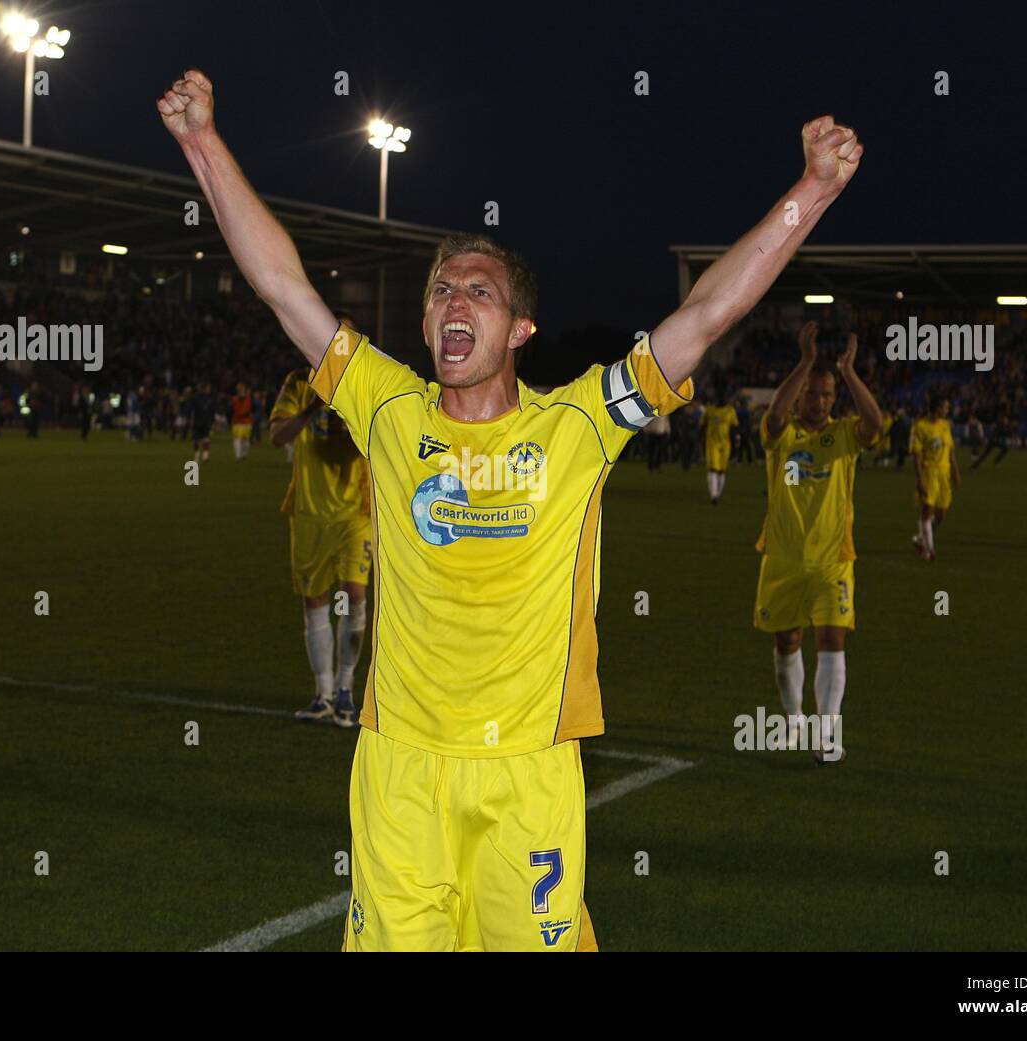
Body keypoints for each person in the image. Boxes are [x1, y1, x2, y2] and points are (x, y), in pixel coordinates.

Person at [159, 66, 862, 951]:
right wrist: (202, 143)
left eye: (479, 291)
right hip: (400, 769)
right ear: (425, 325)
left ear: (519, 330)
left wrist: (813, 190)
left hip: (528, 773)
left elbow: (707, 312)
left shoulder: (579, 424)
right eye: (441, 292)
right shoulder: (387, 406)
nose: (455, 301)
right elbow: (283, 289)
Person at [754, 325, 881, 763]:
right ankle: (793, 724)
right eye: (813, 393)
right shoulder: (781, 435)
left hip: (833, 563)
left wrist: (847, 371)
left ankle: (826, 734)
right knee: (787, 642)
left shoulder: (845, 436)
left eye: (827, 395)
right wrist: (805, 362)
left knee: (832, 639)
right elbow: (773, 416)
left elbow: (876, 424)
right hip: (784, 561)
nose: (820, 400)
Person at [270, 314, 372, 727]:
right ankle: (323, 694)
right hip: (310, 513)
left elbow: (371, 439)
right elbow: (277, 436)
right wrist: (314, 405)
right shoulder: (297, 383)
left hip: (354, 512)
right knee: (315, 603)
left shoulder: (363, 385)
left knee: (353, 596)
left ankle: (347, 691)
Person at [910, 394, 960, 561]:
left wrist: (956, 472)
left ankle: (919, 538)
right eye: (945, 407)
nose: (948, 410)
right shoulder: (920, 426)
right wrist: (919, 479)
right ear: (937, 408)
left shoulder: (945, 425)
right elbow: (916, 455)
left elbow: (951, 450)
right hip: (929, 472)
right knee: (927, 510)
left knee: (941, 514)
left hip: (944, 474)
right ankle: (929, 549)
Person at [700, 389, 738, 503]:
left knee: (722, 470)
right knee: (713, 469)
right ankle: (713, 494)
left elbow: (735, 426)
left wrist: (736, 441)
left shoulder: (730, 411)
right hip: (712, 443)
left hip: (725, 443)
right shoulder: (709, 410)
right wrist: (700, 439)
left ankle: (718, 493)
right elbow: (702, 425)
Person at [230, 380, 253, 460]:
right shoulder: (234, 399)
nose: (240, 389)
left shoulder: (249, 399)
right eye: (239, 388)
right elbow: (230, 410)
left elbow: (250, 409)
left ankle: (244, 454)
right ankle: (238, 456)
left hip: (246, 422)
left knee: (245, 440)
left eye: (241, 388)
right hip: (237, 422)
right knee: (237, 439)